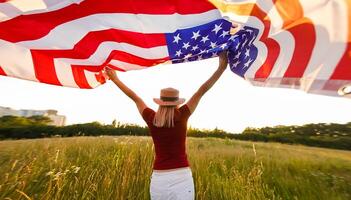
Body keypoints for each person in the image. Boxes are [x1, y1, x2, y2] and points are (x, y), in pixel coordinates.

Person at [105, 51, 228, 200]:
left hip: (159, 179)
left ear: (161, 102)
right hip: (182, 177)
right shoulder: (182, 115)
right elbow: (202, 90)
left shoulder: (152, 118)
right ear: (177, 103)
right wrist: (221, 68)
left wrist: (115, 79)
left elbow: (135, 97)